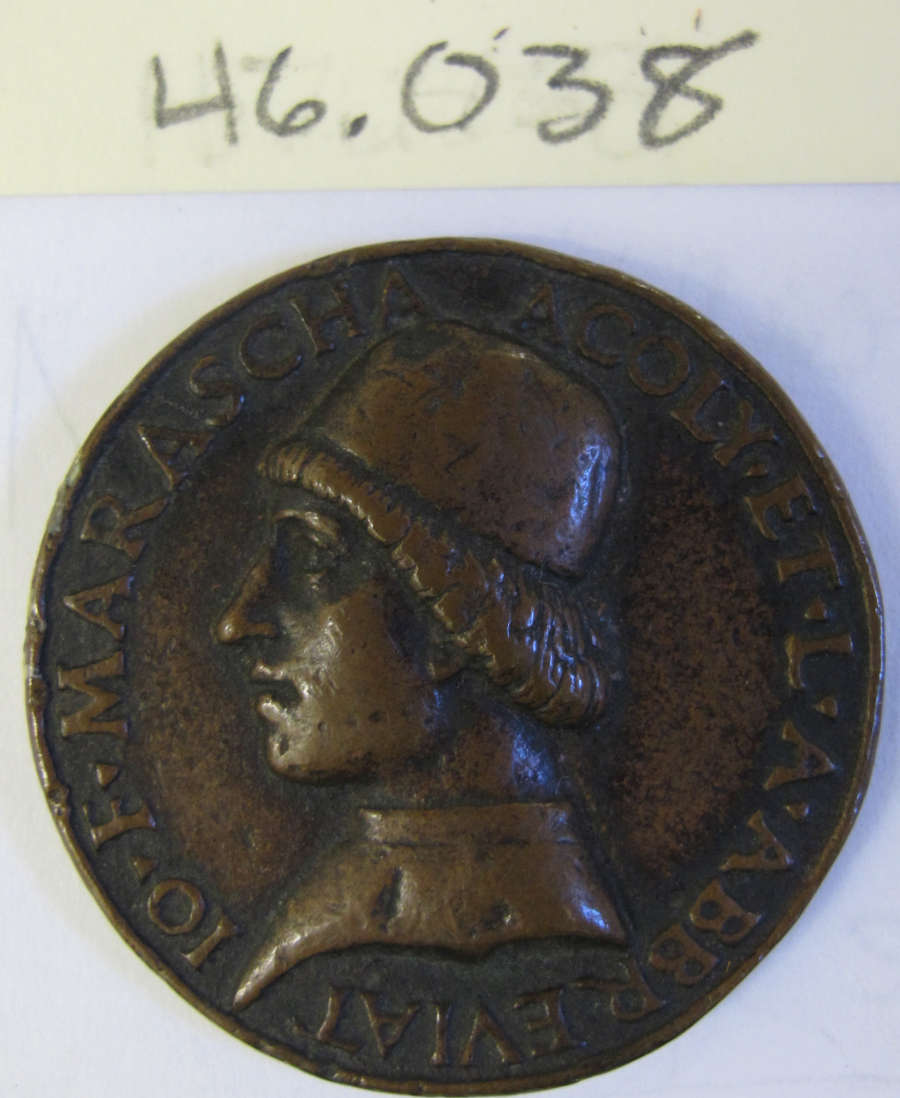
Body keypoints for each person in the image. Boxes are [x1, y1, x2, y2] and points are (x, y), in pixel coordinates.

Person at [217, 321, 627, 1011]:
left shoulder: (533, 921)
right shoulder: (350, 903)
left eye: (311, 557)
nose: (237, 621)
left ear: (451, 625)